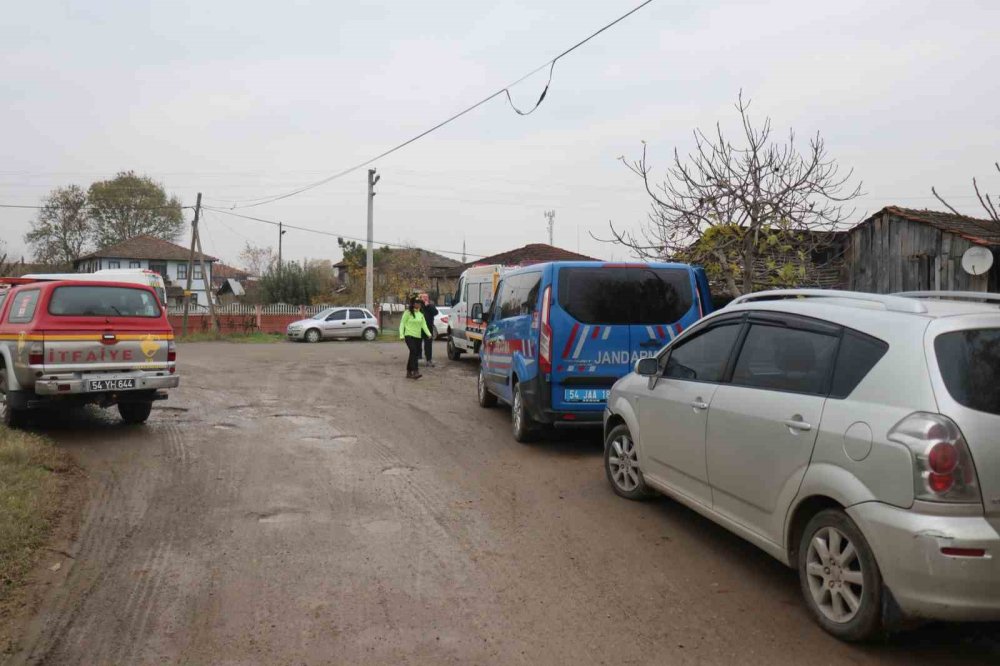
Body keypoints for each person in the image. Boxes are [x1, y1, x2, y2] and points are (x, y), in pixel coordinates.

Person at [399, 297, 432, 379]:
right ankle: (415, 371)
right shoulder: (408, 313)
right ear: (413, 304)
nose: (419, 304)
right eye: (417, 303)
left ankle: (408, 372)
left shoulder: (421, 314)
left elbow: (423, 325)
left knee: (414, 354)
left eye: (420, 303)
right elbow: (402, 323)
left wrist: (429, 334)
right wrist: (401, 335)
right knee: (413, 351)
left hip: (418, 336)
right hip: (409, 335)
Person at [420, 293, 439, 367]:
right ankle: (418, 357)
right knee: (417, 343)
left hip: (428, 328)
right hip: (419, 328)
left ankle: (429, 359)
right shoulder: (418, 306)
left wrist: (428, 306)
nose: (425, 298)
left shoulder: (431, 305)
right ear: (421, 298)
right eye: (423, 297)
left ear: (428, 298)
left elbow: (435, 313)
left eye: (426, 297)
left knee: (428, 345)